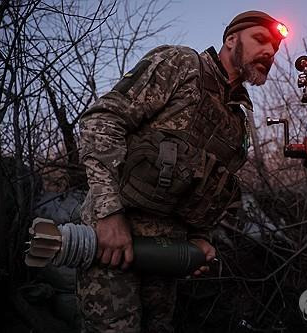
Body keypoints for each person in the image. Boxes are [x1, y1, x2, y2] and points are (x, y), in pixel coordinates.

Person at [77, 10, 287, 333]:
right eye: (261, 39)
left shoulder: (238, 123)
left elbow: (213, 190)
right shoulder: (182, 66)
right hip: (114, 244)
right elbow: (101, 121)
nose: (270, 52)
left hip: (166, 257)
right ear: (231, 40)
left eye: (275, 49)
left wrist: (199, 240)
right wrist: (108, 214)